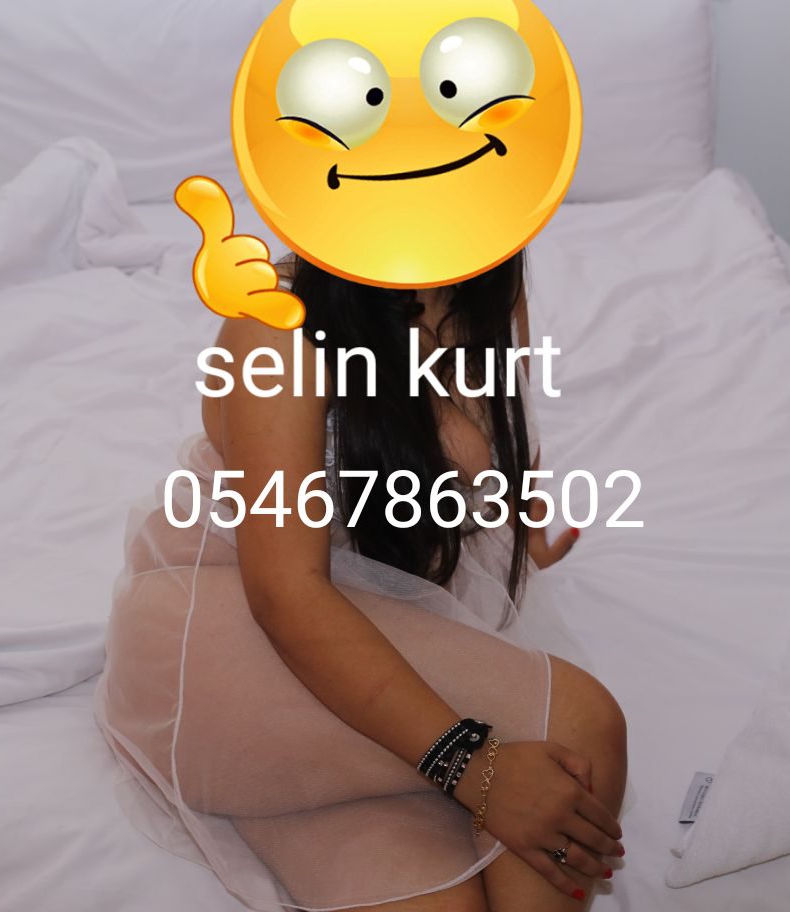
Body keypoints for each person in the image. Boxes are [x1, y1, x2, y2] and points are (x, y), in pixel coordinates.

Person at [96, 252, 627, 911]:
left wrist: (521, 534)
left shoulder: (485, 283)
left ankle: (310, 783)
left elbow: (498, 428)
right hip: (238, 639)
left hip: (369, 640)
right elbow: (288, 596)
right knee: (577, 725)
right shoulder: (278, 326)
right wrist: (474, 767)